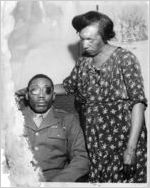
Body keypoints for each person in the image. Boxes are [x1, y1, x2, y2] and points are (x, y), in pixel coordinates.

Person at [16, 11, 147, 183]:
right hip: (94, 140)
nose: (84, 44)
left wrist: (130, 149)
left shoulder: (125, 59)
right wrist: (32, 89)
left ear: (105, 36)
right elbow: (69, 87)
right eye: (82, 38)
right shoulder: (84, 61)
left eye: (90, 39)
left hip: (121, 140)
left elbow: (138, 103)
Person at [17, 74, 89, 182]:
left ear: (53, 96)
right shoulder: (13, 119)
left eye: (47, 90)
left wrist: (56, 183)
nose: (41, 95)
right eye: (35, 90)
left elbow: (81, 159)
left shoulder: (68, 120)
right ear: (27, 95)